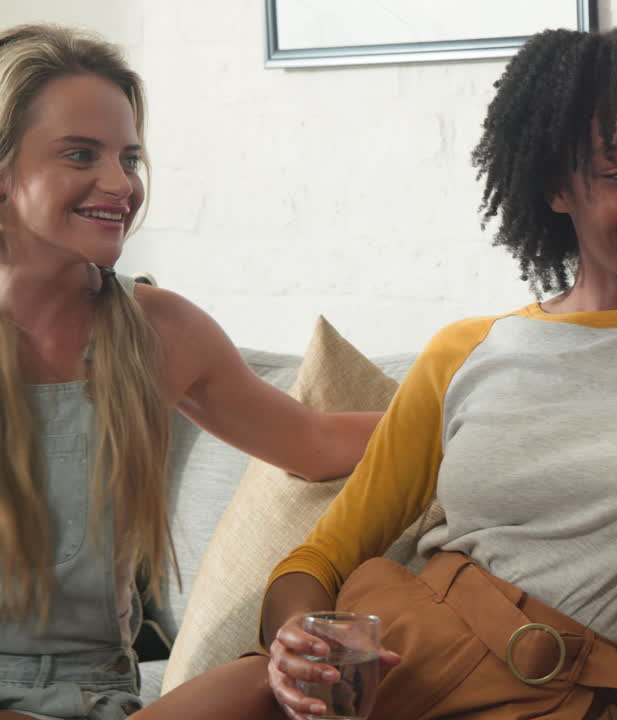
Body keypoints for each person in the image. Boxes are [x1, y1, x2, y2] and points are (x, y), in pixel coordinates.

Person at [142, 19, 617, 720]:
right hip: (380, 665)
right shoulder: (464, 352)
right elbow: (324, 553)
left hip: (544, 692)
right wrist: (296, 642)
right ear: (555, 189)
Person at [0, 24, 381, 720]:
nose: (119, 185)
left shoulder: (158, 332)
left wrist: (466, 409)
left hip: (103, 696)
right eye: (81, 154)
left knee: (277, 683)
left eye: (130, 158)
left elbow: (315, 445)